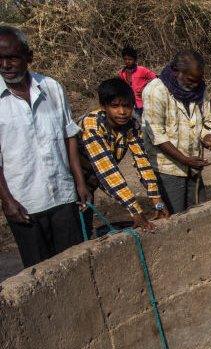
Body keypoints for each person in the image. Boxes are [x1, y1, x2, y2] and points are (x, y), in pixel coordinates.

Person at [0, 26, 89, 268]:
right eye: (0, 59)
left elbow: (69, 135)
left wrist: (79, 182)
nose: (5, 65)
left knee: (74, 266)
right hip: (25, 202)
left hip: (63, 195)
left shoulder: (51, 87)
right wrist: (6, 199)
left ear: (28, 57)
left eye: (12, 58)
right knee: (39, 272)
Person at [79, 78, 168, 232]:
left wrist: (158, 203)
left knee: (84, 225)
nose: (122, 112)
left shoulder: (131, 125)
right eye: (115, 106)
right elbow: (108, 172)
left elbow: (143, 163)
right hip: (75, 184)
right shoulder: (92, 125)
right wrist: (135, 210)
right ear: (104, 106)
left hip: (92, 182)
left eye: (126, 106)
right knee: (78, 232)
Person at [141, 51, 211, 213]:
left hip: (193, 165)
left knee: (200, 212)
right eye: (191, 80)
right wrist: (184, 159)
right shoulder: (156, 91)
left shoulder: (199, 89)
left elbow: (206, 121)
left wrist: (208, 136)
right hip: (168, 168)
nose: (195, 84)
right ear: (176, 72)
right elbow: (157, 135)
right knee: (176, 216)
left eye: (198, 80)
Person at [118, 46, 156, 119]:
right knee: (136, 122)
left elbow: (154, 78)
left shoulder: (142, 70)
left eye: (130, 59)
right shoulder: (122, 73)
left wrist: (146, 88)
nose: (127, 61)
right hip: (130, 103)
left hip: (144, 102)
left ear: (134, 60)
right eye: (125, 59)